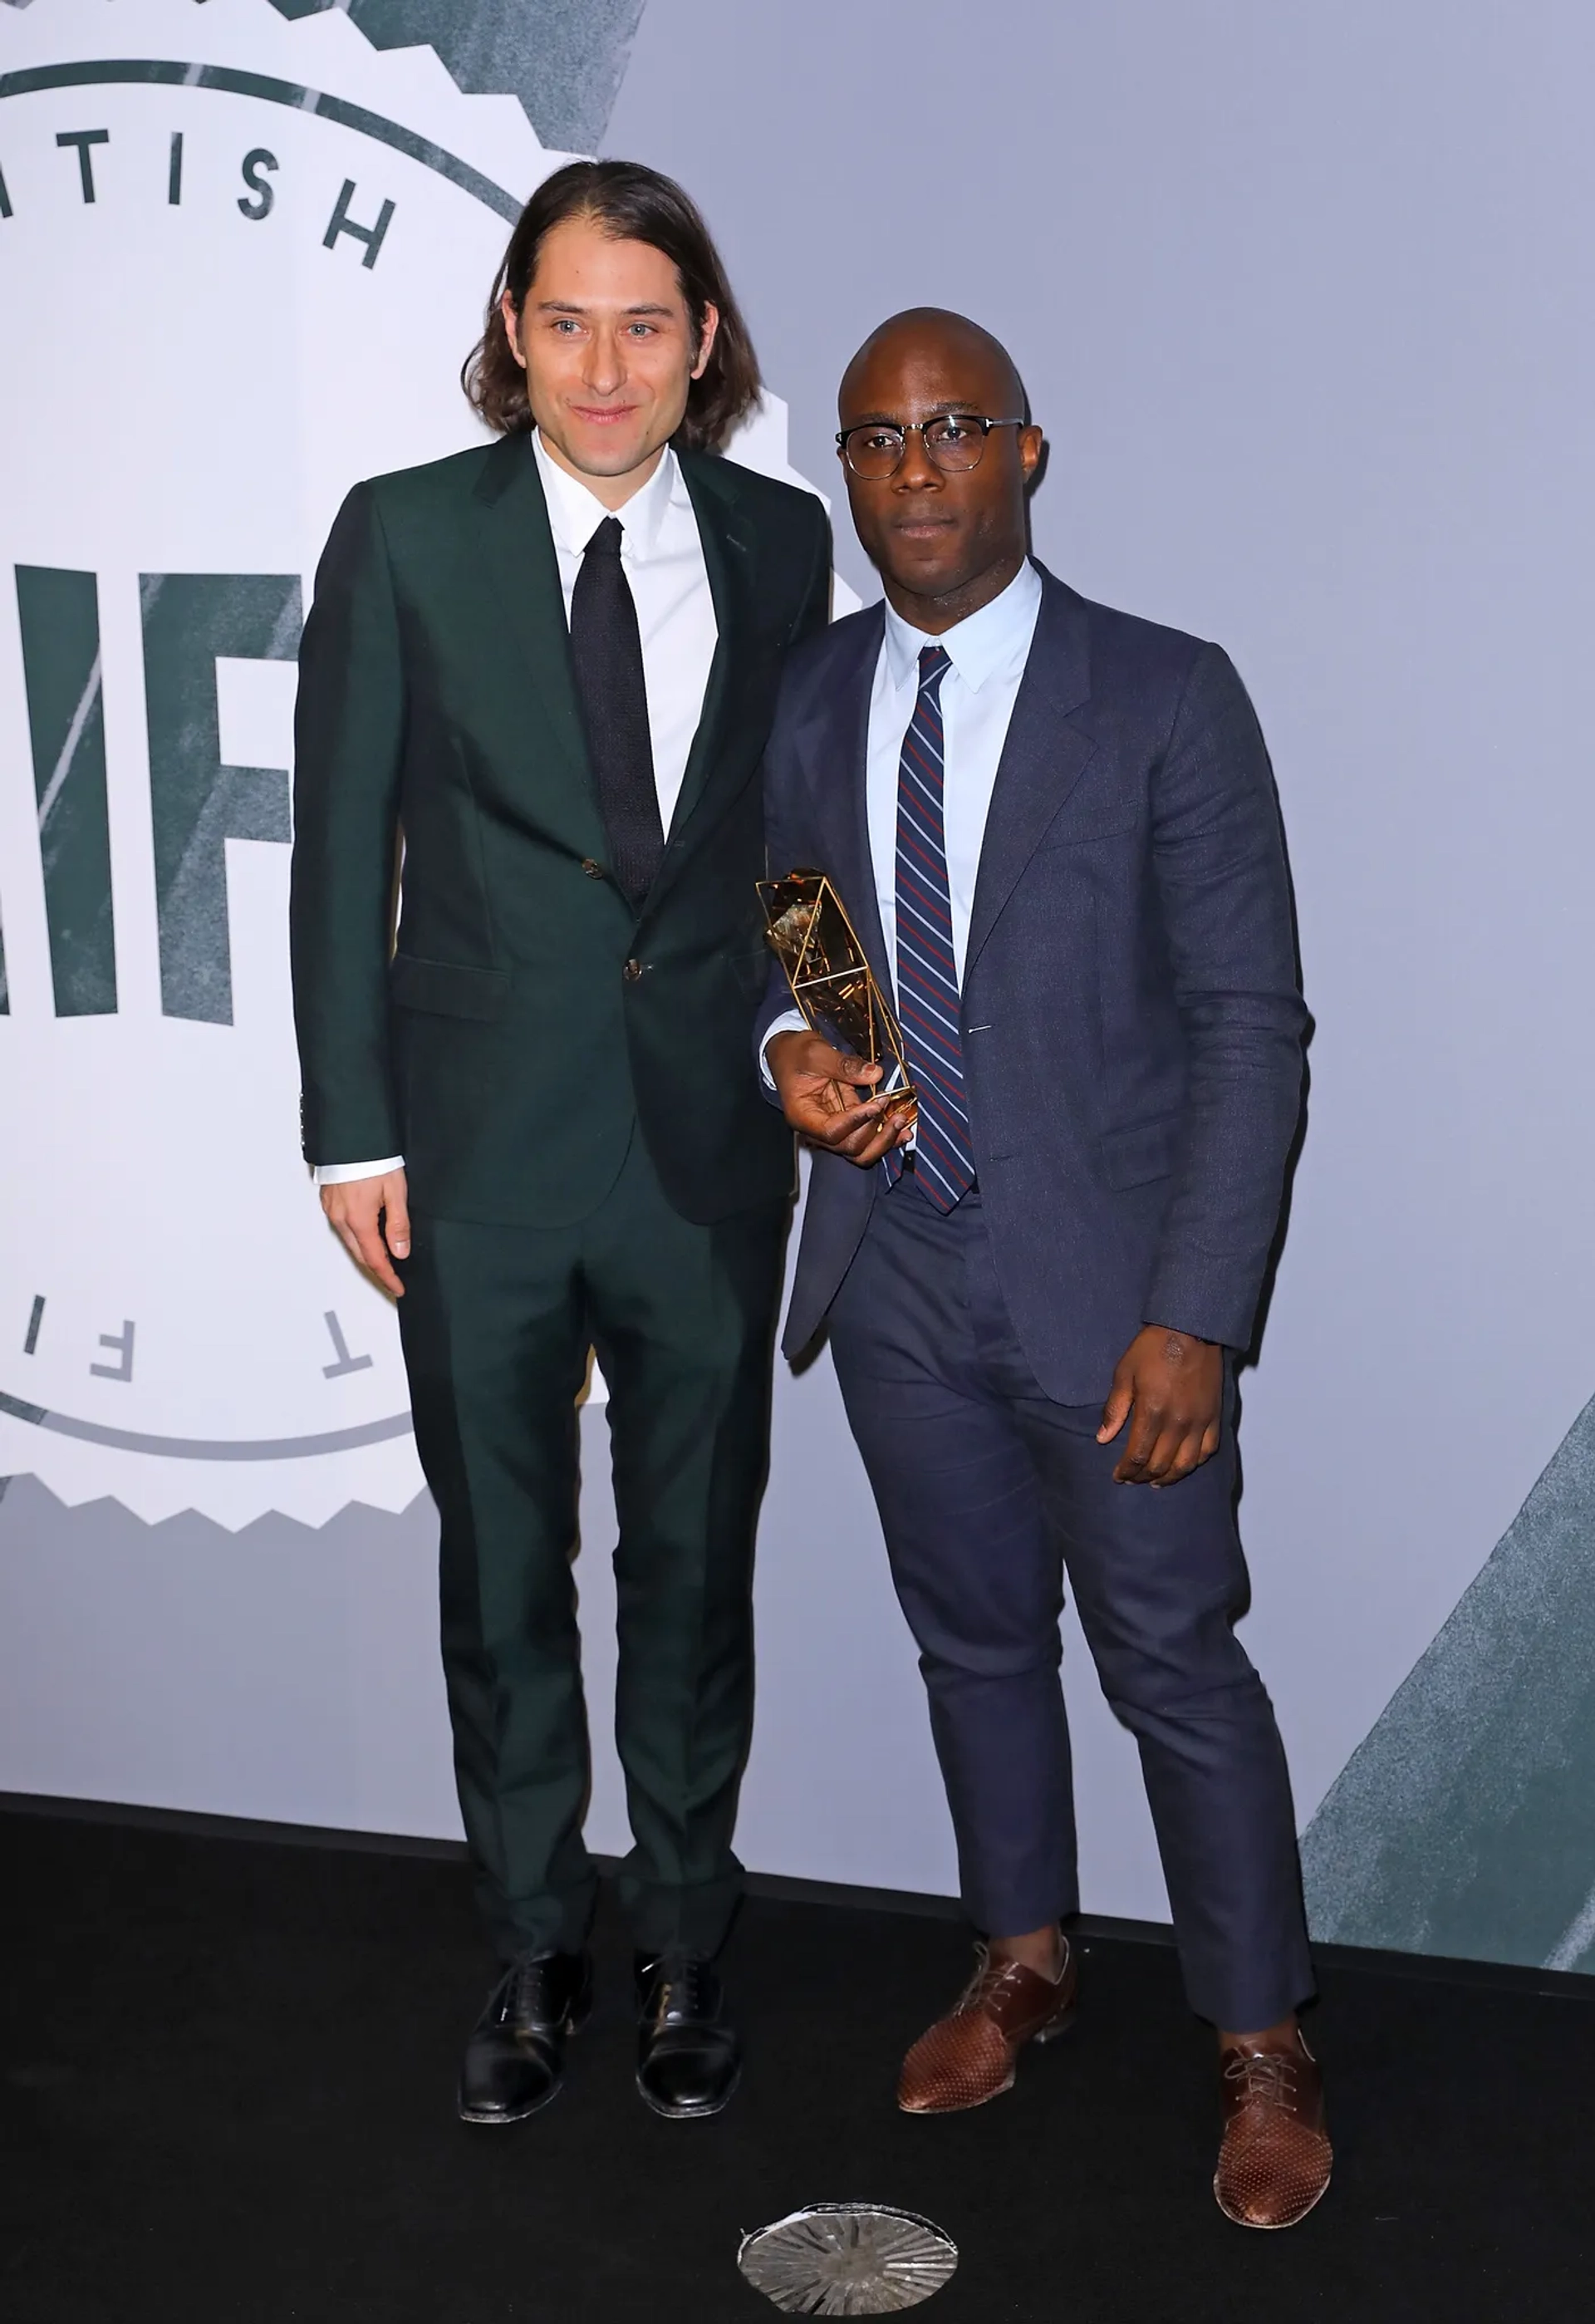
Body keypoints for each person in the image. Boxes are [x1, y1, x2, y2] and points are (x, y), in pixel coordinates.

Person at [760, 308, 1328, 2228]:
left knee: (1174, 1661)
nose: (912, 469)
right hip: (895, 1277)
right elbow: (803, 942)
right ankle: (1024, 1959)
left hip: (1116, 1300)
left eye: (953, 429)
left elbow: (1251, 1026)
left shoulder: (1165, 695)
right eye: (875, 438)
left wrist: (1198, 1316)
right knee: (975, 1644)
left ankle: (1260, 2041)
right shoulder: (812, 696)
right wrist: (793, 1051)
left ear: (1025, 453)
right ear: (848, 472)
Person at [290, 161, 830, 2127]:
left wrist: (833, 1027)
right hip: (477, 1157)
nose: (607, 368)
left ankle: (683, 1936)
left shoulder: (781, 541)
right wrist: (348, 1129)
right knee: (506, 1572)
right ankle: (534, 1943)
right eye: (570, 322)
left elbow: (793, 844)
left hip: (705, 1155)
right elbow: (339, 848)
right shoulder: (407, 535)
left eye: (646, 324)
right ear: (514, 333)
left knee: (694, 1573)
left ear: (704, 343)